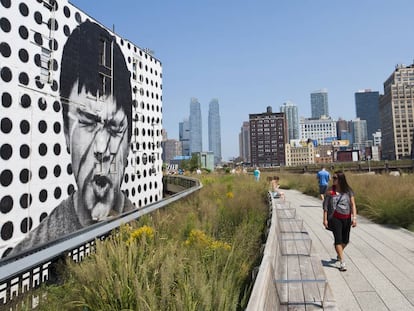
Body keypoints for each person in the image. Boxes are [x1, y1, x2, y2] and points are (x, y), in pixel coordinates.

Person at [9, 20, 134, 256]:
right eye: (87, 122)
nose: (101, 148)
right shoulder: (28, 251)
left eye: (115, 128)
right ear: (66, 132)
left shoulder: (141, 224)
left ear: (129, 143)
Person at [323, 171, 357, 271]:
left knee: (345, 240)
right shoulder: (330, 191)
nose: (333, 180)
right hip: (334, 218)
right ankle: (342, 262)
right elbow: (325, 206)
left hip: (346, 218)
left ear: (340, 179)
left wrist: (354, 218)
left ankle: (339, 252)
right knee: (338, 239)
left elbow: (353, 204)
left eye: (335, 178)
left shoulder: (348, 191)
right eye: (333, 178)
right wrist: (325, 219)